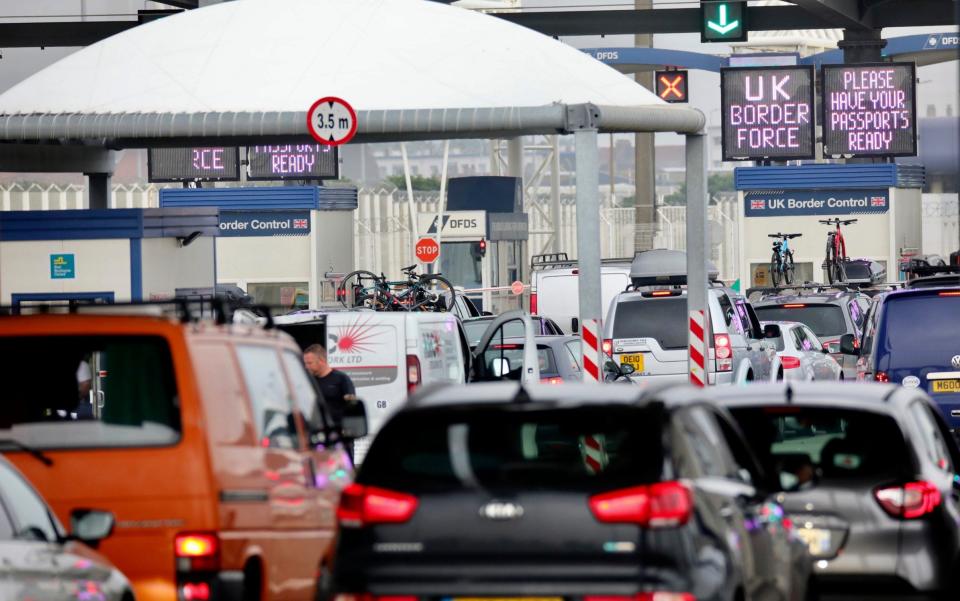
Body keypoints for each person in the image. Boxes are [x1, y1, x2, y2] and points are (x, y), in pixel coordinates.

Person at [303, 344, 356, 426]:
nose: (306, 367)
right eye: (305, 363)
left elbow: (352, 405)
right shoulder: (307, 381)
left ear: (322, 361)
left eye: (309, 363)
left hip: (338, 430)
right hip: (316, 431)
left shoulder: (342, 378)